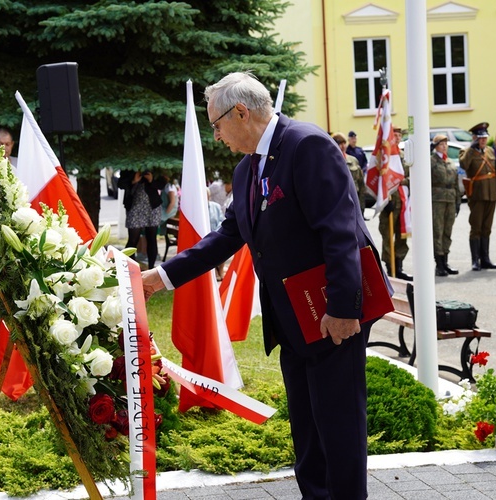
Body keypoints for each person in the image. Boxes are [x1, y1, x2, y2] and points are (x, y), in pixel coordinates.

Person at [141, 71, 384, 499]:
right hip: (292, 319)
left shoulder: (306, 146)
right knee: (307, 430)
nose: (215, 135)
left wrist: (345, 309)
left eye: (216, 124)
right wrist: (158, 279)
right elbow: (227, 237)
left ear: (241, 112)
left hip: (330, 314)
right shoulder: (247, 168)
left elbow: (340, 231)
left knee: (339, 427)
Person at [460, 122, 496, 271]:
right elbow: (464, 165)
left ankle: (486, 259)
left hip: (491, 194)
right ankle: (475, 260)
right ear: (474, 138)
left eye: (484, 137)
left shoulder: (490, 151)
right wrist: (472, 148)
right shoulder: (467, 152)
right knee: (476, 227)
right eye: (480, 138)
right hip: (477, 194)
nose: (483, 140)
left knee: (487, 227)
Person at [379, 126, 412, 280]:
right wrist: (385, 201)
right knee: (387, 236)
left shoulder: (405, 156)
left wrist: (402, 181)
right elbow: (380, 179)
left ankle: (399, 267)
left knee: (402, 235)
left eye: (399, 136)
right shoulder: (384, 157)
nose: (397, 138)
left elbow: (413, 177)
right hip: (390, 202)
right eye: (395, 135)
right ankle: (390, 267)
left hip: (404, 202)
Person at [430, 134, 460, 277]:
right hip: (437, 200)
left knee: (447, 231)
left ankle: (446, 261)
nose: (444, 146)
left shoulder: (449, 162)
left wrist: (458, 201)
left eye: (445, 144)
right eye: (441, 144)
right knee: (438, 231)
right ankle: (439, 264)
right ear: (435, 146)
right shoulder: (431, 161)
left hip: (450, 199)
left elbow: (455, 183)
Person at [121, 169, 164, 267]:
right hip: (134, 205)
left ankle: (151, 268)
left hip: (152, 206)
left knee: (152, 238)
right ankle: (129, 268)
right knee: (132, 240)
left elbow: (162, 184)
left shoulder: (154, 166)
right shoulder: (128, 167)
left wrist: (151, 180)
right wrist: (134, 181)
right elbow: (121, 184)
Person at [332, 132, 365, 202]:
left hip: (354, 200)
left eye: (344, 143)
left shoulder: (353, 160)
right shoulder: (330, 162)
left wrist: (361, 206)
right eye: (340, 144)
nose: (343, 146)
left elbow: (361, 185)